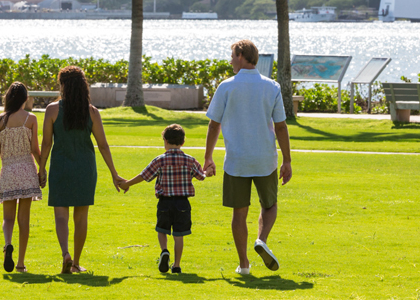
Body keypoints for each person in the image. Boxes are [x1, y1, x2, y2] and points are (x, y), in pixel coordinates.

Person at [203, 40, 293, 276]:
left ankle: (244, 266)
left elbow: (214, 125)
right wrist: (287, 160)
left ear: (241, 55)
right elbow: (281, 127)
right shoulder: (271, 86)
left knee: (239, 213)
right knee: (270, 205)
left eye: (232, 55)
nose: (230, 60)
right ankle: (261, 240)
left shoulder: (226, 86)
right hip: (265, 159)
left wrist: (208, 157)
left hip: (236, 160)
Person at [39, 66, 122, 274]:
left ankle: (65, 253)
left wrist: (41, 169)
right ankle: (76, 262)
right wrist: (114, 173)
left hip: (60, 167)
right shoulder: (92, 112)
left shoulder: (52, 110)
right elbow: (103, 145)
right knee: (81, 217)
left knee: (61, 216)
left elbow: (46, 143)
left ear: (63, 85)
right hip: (85, 169)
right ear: (83, 86)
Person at [118, 124, 205, 274]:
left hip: (164, 201)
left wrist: (127, 184)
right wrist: (208, 170)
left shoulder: (159, 160)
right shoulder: (190, 160)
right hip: (183, 202)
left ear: (164, 140)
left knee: (162, 229)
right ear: (183, 142)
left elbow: (144, 176)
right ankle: (176, 265)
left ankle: (164, 250)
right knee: (179, 235)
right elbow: (201, 176)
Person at [0, 82, 44, 273]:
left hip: (8, 171)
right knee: (24, 220)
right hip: (27, 171)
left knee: (8, 218)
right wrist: (43, 169)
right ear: (24, 99)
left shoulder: (0, 120)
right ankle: (21, 263)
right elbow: (35, 149)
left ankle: (7, 244)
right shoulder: (30, 118)